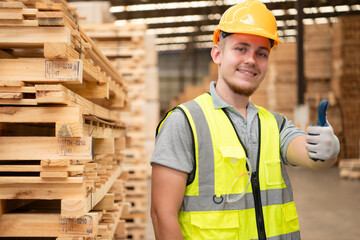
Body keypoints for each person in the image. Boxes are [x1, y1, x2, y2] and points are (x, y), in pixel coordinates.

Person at [150, 0, 340, 239]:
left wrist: (327, 149)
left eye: (261, 53)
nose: (251, 60)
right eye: (241, 49)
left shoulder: (275, 124)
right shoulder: (185, 122)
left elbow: (311, 157)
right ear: (217, 54)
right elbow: (162, 213)